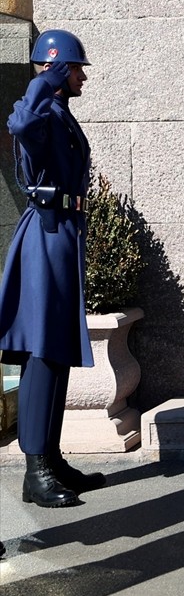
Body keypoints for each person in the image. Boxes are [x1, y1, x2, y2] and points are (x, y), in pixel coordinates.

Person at [0, 29, 105, 507]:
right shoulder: (39, 113)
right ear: (59, 69)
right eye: (75, 67)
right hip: (43, 234)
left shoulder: (61, 116)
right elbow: (18, 126)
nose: (82, 75)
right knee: (41, 351)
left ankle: (52, 458)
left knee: (58, 350)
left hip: (63, 232)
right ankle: (34, 469)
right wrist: (44, 79)